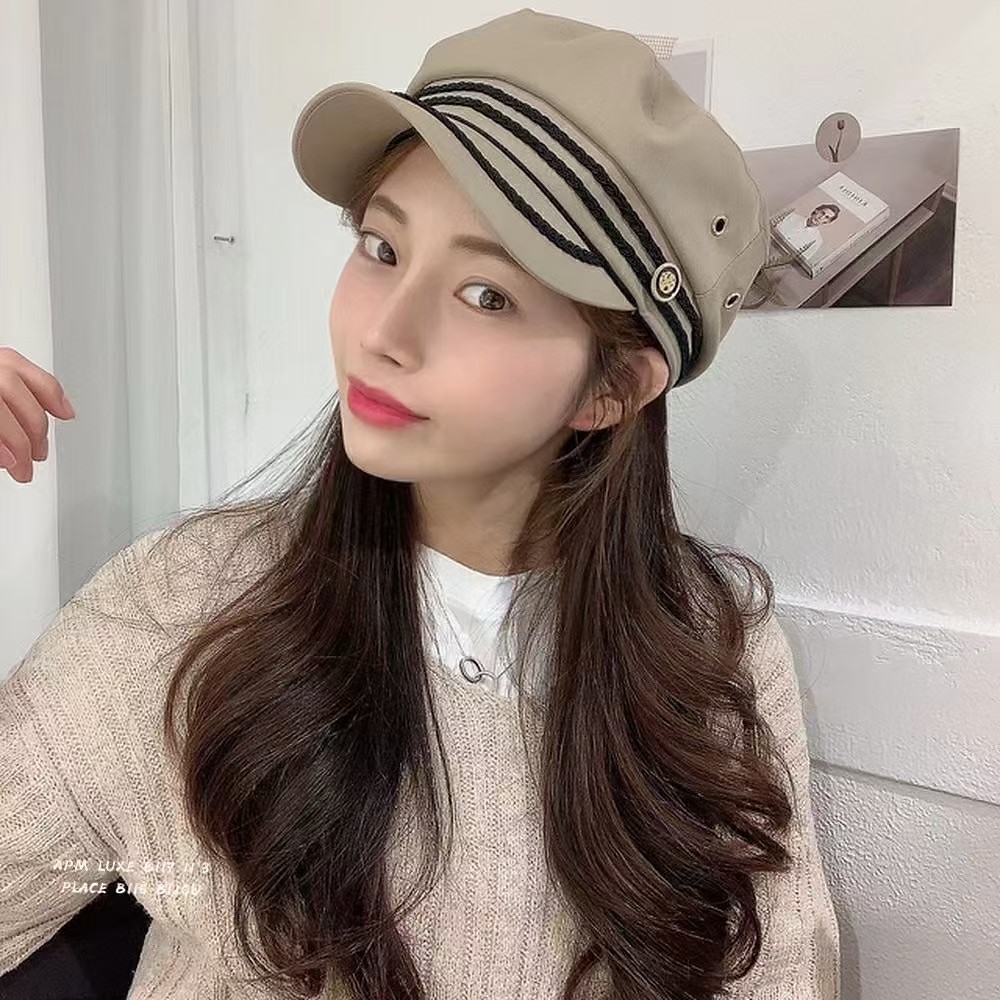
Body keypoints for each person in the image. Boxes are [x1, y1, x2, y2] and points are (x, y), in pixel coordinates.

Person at [0, 9, 841, 999]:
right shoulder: (182, 604)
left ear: (612, 388)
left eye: (487, 295)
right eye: (382, 247)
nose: (383, 333)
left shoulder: (709, 647)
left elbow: (775, 972)